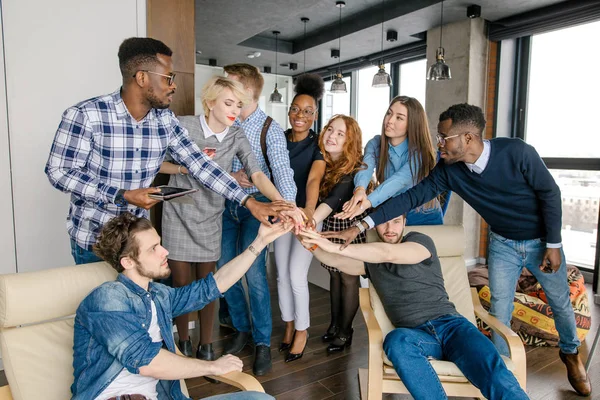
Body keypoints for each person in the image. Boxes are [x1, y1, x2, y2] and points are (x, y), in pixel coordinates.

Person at [326, 103, 592, 396]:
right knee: (500, 311)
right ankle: (499, 372)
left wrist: (553, 244)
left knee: (560, 303)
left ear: (467, 138)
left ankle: (570, 353)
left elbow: (549, 192)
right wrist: (361, 226)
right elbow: (411, 196)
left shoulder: (516, 152)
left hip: (541, 240)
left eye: (444, 137)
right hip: (502, 242)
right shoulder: (449, 170)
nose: (439, 144)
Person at [45, 37, 287, 265]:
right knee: (99, 309)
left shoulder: (165, 121)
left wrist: (249, 202)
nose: (174, 86)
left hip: (137, 240)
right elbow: (59, 172)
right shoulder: (86, 115)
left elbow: (201, 165)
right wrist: (123, 194)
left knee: (138, 308)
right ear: (142, 77)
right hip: (94, 240)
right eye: (168, 78)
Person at [298, 215, 530, 400]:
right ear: (374, 226)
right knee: (396, 340)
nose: (390, 228)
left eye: (396, 221)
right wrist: (309, 244)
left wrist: (328, 244)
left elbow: (388, 252)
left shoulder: (420, 241)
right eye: (384, 222)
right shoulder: (370, 261)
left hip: (452, 327)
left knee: (493, 371)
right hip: (416, 337)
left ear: (405, 223)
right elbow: (336, 262)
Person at [157, 76, 301, 366]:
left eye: (238, 104)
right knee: (182, 283)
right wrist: (184, 169)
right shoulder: (183, 125)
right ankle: (182, 341)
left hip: (212, 214)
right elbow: (155, 161)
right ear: (210, 102)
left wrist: (284, 204)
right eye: (228, 103)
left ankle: (206, 346)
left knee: (211, 283)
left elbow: (257, 174)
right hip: (179, 211)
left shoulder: (237, 135)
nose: (235, 109)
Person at [71, 212, 286, 400]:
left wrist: (260, 241)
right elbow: (146, 362)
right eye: (154, 248)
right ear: (128, 262)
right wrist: (213, 366)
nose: (165, 251)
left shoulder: (159, 296)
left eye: (160, 244)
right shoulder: (107, 298)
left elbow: (213, 285)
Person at [217, 63, 299, 376]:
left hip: (262, 207)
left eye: (231, 85)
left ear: (248, 92)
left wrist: (287, 206)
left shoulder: (269, 129)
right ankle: (241, 329)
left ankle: (262, 341)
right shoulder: (224, 123)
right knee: (226, 269)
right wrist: (231, 175)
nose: (225, 90)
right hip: (227, 206)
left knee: (253, 275)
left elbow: (281, 170)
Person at [273, 74, 326, 363]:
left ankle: (303, 330)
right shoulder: (277, 139)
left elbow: (314, 180)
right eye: (295, 109)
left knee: (296, 274)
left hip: (305, 217)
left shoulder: (318, 145)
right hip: (281, 216)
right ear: (289, 110)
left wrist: (308, 213)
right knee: (281, 274)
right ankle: (289, 323)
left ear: (315, 115)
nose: (300, 116)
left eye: (307, 111)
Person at [336, 96, 443, 224]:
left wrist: (366, 203)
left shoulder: (420, 153)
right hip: (392, 212)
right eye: (389, 113)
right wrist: (360, 190)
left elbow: (397, 181)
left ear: (412, 124)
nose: (390, 120)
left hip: (422, 215)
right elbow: (366, 168)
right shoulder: (375, 143)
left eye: (399, 118)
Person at [310, 114, 366, 354]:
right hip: (331, 223)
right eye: (330, 130)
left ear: (349, 141)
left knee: (348, 278)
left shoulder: (354, 168)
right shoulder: (322, 161)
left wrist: (309, 222)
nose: (332, 136)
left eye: (340, 134)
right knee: (334, 275)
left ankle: (346, 331)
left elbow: (335, 199)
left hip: (351, 227)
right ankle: (334, 325)